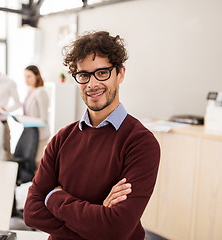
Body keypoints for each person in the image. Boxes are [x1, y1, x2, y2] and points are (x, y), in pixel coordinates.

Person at [23, 31, 160, 239]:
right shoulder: (61, 139)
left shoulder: (141, 143)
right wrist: (97, 223)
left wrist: (54, 197)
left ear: (120, 74)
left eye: (102, 73)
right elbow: (32, 213)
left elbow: (116, 229)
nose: (92, 84)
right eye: (84, 75)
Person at [23, 65, 50, 168]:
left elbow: (44, 119)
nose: (26, 79)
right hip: (31, 133)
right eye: (25, 76)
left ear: (37, 76)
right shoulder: (30, 91)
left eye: (29, 76)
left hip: (40, 134)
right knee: (32, 163)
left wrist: (25, 120)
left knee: (38, 162)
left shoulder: (41, 92)